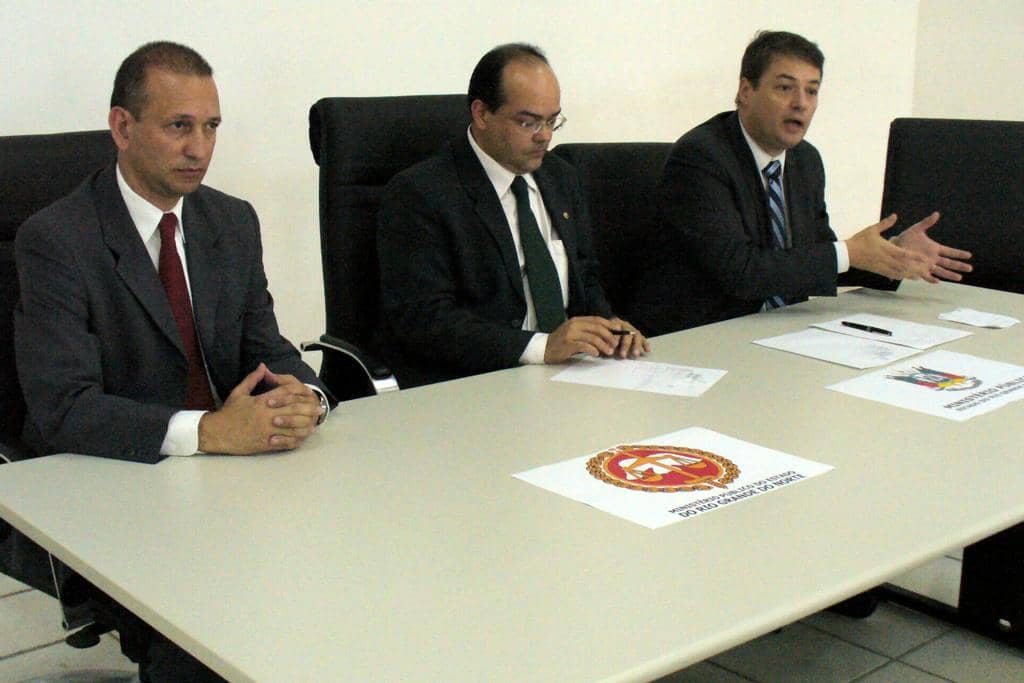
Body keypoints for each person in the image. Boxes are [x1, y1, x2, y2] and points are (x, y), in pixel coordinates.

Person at [13, 41, 333, 680]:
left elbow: (265, 348)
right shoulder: (57, 239)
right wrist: (211, 432)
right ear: (122, 128)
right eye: (178, 126)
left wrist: (307, 398)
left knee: (334, 590)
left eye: (211, 126)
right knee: (209, 650)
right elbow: (63, 409)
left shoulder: (231, 220)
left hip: (233, 485)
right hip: (118, 485)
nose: (200, 149)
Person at [629, 30, 973, 337]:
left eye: (812, 91)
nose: (801, 103)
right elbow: (742, 271)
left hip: (778, 334)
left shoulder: (805, 161)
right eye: (785, 87)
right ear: (745, 91)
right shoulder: (701, 158)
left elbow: (814, 259)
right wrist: (848, 252)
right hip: (698, 339)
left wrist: (890, 254)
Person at [376, 43, 649, 388]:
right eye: (528, 122)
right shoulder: (421, 194)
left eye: (552, 120)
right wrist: (541, 347)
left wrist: (610, 328)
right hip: (476, 384)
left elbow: (585, 274)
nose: (545, 136)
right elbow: (425, 320)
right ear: (481, 113)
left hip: (570, 379)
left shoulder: (561, 177)